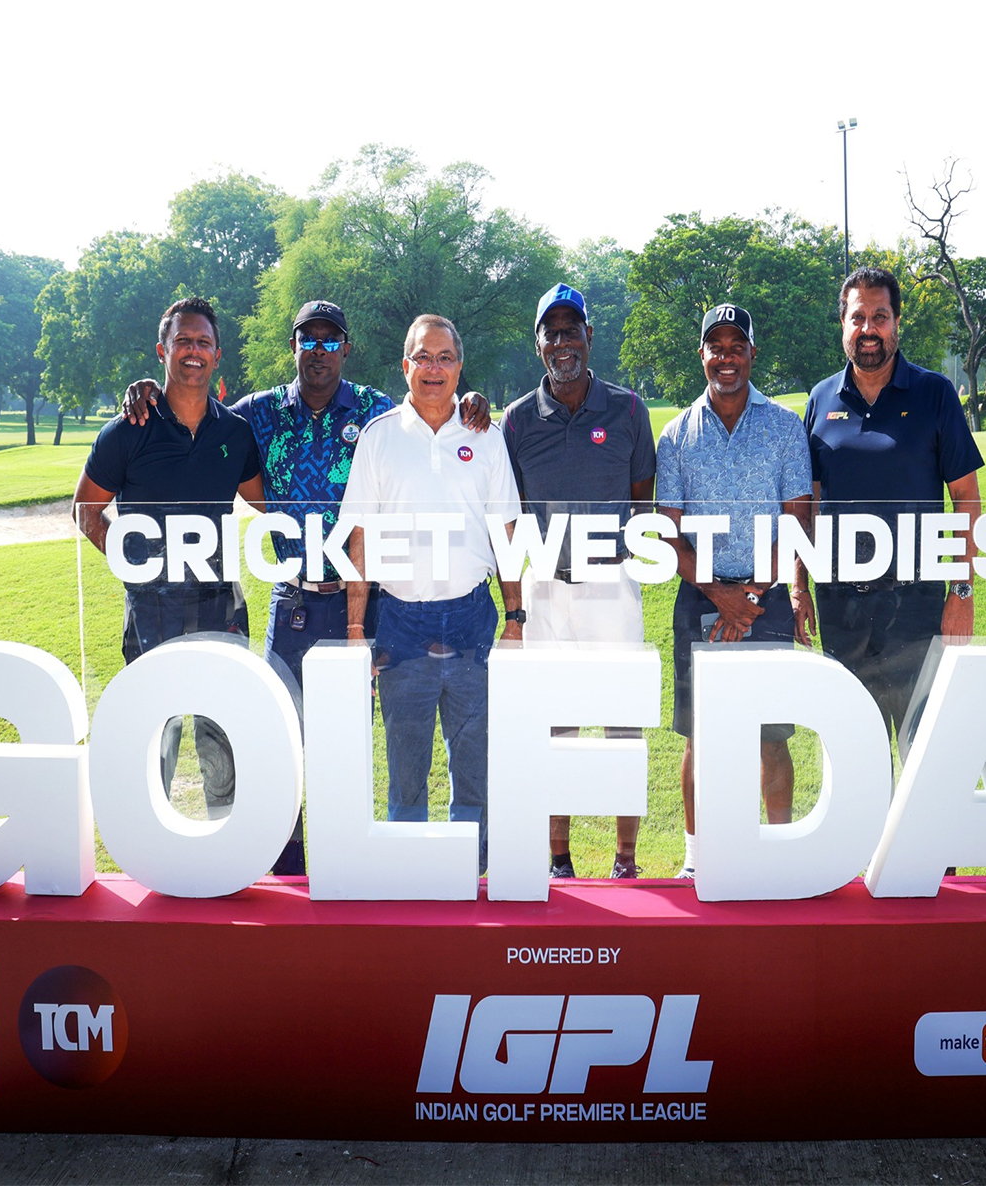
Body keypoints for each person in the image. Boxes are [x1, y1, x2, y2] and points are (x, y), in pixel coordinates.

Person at [120, 300, 491, 874]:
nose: (319, 351)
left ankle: (349, 864)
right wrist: (146, 390)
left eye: (330, 340)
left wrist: (469, 404)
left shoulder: (373, 409)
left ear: (346, 348)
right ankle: (287, 866)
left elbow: (428, 411)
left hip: (363, 603)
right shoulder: (258, 412)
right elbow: (193, 409)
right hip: (292, 600)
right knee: (282, 739)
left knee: (354, 741)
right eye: (308, 340)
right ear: (293, 347)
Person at [340, 315, 522, 871]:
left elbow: (505, 530)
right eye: (423, 357)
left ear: (459, 368)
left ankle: (471, 875)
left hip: (472, 618)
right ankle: (409, 875)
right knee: (406, 765)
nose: (434, 368)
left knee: (474, 762)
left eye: (445, 358)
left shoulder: (485, 436)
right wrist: (355, 628)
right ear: (406, 366)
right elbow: (359, 537)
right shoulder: (379, 437)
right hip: (401, 623)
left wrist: (515, 616)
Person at [72, 297, 265, 817]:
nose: (193, 351)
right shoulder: (128, 429)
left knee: (220, 730)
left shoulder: (235, 433)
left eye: (203, 342)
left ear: (218, 354)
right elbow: (85, 509)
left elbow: (270, 506)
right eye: (183, 341)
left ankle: (225, 834)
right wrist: (134, 562)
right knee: (157, 730)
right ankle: (149, 842)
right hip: (151, 610)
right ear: (163, 350)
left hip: (220, 605)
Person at [502, 283, 656, 881]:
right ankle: (559, 860)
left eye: (573, 330)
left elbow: (641, 499)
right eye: (552, 333)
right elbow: (512, 509)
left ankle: (625, 860)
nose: (563, 342)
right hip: (545, 586)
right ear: (538, 343)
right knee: (554, 724)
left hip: (613, 581)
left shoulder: (628, 409)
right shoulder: (517, 420)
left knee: (623, 720)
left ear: (590, 335)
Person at [795, 266, 984, 752]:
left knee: (922, 752)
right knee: (855, 754)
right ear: (843, 324)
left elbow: (966, 497)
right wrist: (799, 587)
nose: (869, 329)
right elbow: (808, 507)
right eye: (858, 317)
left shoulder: (934, 393)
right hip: (841, 608)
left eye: (880, 316)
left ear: (897, 322)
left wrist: (962, 592)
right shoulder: (820, 399)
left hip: (916, 606)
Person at [656, 304, 813, 880]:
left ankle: (781, 854)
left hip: (764, 598)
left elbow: (798, 520)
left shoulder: (784, 426)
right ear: (702, 354)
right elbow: (667, 531)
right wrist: (720, 595)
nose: (726, 357)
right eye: (715, 347)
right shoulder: (677, 434)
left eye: (736, 346)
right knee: (700, 736)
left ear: (752, 353)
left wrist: (748, 597)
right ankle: (697, 861)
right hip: (699, 597)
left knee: (770, 737)